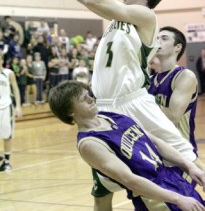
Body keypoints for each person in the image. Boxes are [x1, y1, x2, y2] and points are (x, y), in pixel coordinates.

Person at [74, 0, 202, 210]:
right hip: (105, 107)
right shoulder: (117, 18)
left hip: (131, 102)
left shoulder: (146, 16)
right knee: (104, 185)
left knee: (186, 160)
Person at [48, 80, 205, 211]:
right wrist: (177, 199)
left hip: (173, 179)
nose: (90, 99)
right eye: (83, 99)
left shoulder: (111, 115)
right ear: (69, 112)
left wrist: (189, 166)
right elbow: (129, 180)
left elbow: (155, 142)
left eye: (88, 95)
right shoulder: (89, 143)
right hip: (155, 198)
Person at [148, 26, 205, 172]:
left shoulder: (185, 76)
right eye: (157, 38)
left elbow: (173, 117)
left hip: (181, 157)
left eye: (164, 38)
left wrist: (143, 102)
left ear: (177, 47)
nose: (158, 42)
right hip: (155, 155)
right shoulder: (149, 79)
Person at [0, 51, 22, 171]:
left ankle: (7, 161)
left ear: (2, 60)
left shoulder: (9, 73)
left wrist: (18, 106)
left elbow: (16, 89)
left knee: (6, 135)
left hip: (6, 107)